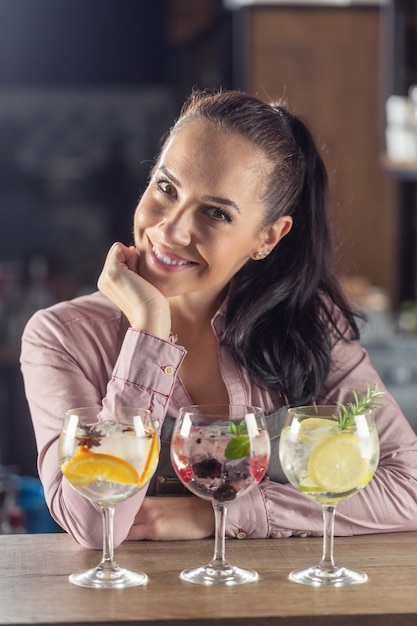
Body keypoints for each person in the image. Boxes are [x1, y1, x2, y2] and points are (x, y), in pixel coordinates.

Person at [20, 88, 417, 549]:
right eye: (166, 188)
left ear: (267, 237)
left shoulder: (309, 322)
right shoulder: (61, 339)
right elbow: (92, 522)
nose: (170, 230)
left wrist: (216, 515)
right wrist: (149, 332)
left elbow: (408, 486)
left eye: (216, 213)